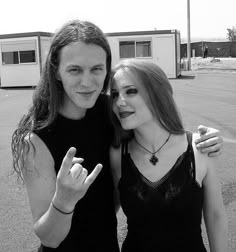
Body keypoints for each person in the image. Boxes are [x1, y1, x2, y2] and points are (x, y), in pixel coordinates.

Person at [11, 19, 223, 252]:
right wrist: (64, 201)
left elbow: (153, 121)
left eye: (96, 69)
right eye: (74, 69)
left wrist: (208, 138)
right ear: (56, 71)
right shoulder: (37, 139)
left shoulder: (110, 111)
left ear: (106, 69)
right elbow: (49, 239)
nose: (87, 81)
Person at [109, 59, 228, 252]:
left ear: (157, 94)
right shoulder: (117, 154)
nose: (119, 102)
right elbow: (106, 213)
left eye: (130, 91)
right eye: (114, 94)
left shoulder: (199, 148)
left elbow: (215, 216)